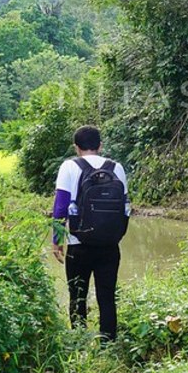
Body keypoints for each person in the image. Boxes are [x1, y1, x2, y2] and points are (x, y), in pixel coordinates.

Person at [52, 125, 129, 342]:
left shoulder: (69, 167)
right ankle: (108, 343)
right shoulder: (117, 168)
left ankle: (79, 341)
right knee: (107, 297)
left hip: (78, 244)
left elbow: (60, 206)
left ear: (76, 147)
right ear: (100, 146)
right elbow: (125, 208)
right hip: (109, 245)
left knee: (77, 296)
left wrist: (57, 240)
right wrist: (115, 236)